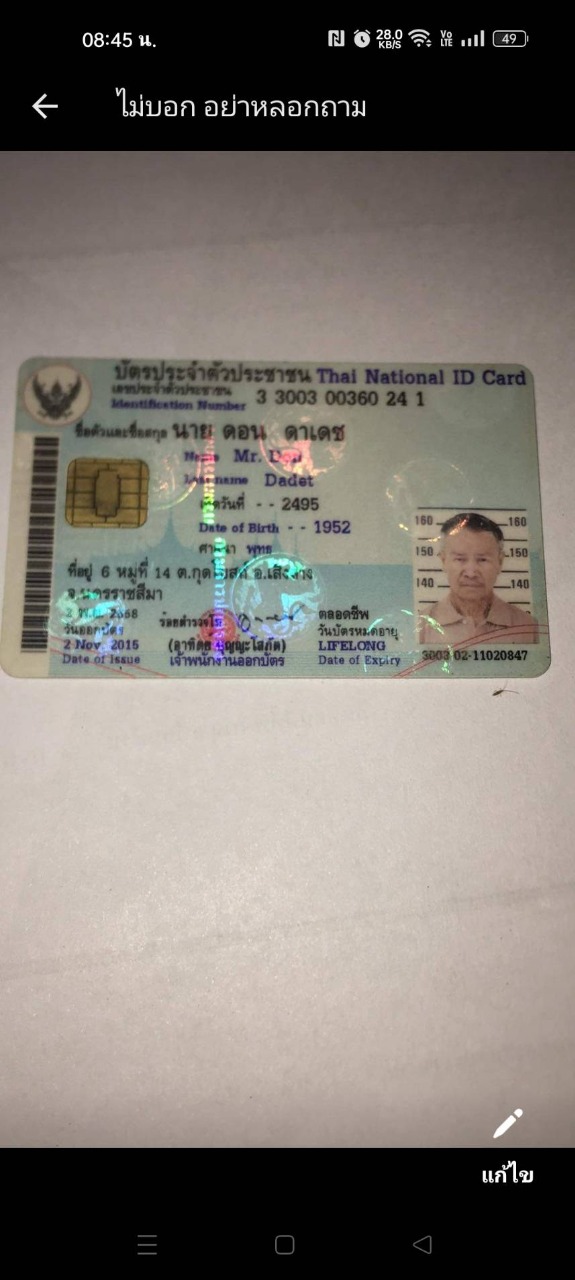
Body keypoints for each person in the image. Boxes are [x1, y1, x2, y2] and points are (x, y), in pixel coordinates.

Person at [418, 512, 538, 645]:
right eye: (460, 559)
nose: (471, 573)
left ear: (500, 562)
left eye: (482, 559)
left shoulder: (528, 627)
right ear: (443, 561)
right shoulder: (421, 628)